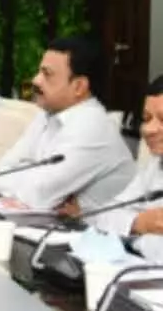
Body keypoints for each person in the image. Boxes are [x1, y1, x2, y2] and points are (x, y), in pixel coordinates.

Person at [0, 36, 135, 210]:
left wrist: (30, 179)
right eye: (39, 72)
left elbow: (37, 195)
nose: (36, 80)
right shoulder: (48, 113)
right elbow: (0, 172)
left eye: (47, 74)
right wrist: (38, 185)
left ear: (79, 87)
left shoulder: (92, 126)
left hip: (100, 234)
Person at [59, 75, 163, 262]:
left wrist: (136, 236)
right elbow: (106, 215)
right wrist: (141, 223)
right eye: (146, 119)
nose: (149, 129)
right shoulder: (156, 163)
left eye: (162, 120)